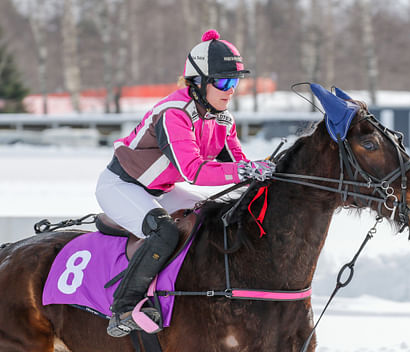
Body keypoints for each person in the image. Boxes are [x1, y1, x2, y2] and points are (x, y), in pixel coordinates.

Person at [95, 29, 275, 337]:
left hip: (162, 189)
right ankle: (124, 306)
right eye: (222, 81)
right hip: (121, 186)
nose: (230, 90)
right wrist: (245, 171)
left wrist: (271, 179)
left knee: (207, 219)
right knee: (164, 232)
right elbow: (194, 171)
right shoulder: (173, 114)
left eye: (235, 82)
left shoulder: (222, 119)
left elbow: (237, 165)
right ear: (198, 82)